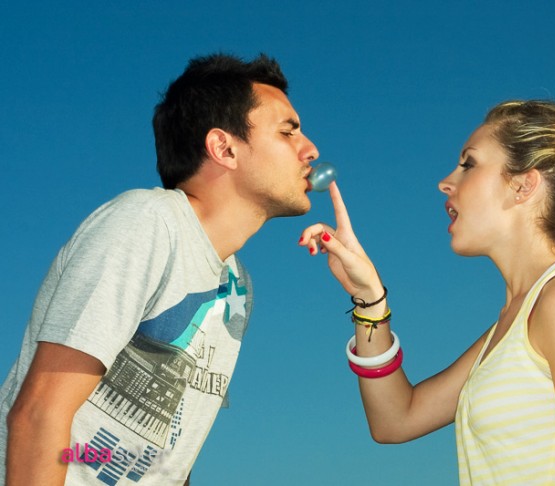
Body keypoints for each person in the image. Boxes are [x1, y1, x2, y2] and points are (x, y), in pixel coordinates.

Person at [298, 100, 555, 485]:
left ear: (522, 185)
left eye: (469, 164)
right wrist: (370, 299)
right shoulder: (515, 323)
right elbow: (396, 419)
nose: (445, 182)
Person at [0, 53, 319, 485]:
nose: (311, 150)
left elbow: (169, 452)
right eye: (288, 132)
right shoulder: (146, 223)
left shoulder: (237, 285)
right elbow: (41, 411)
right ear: (223, 147)